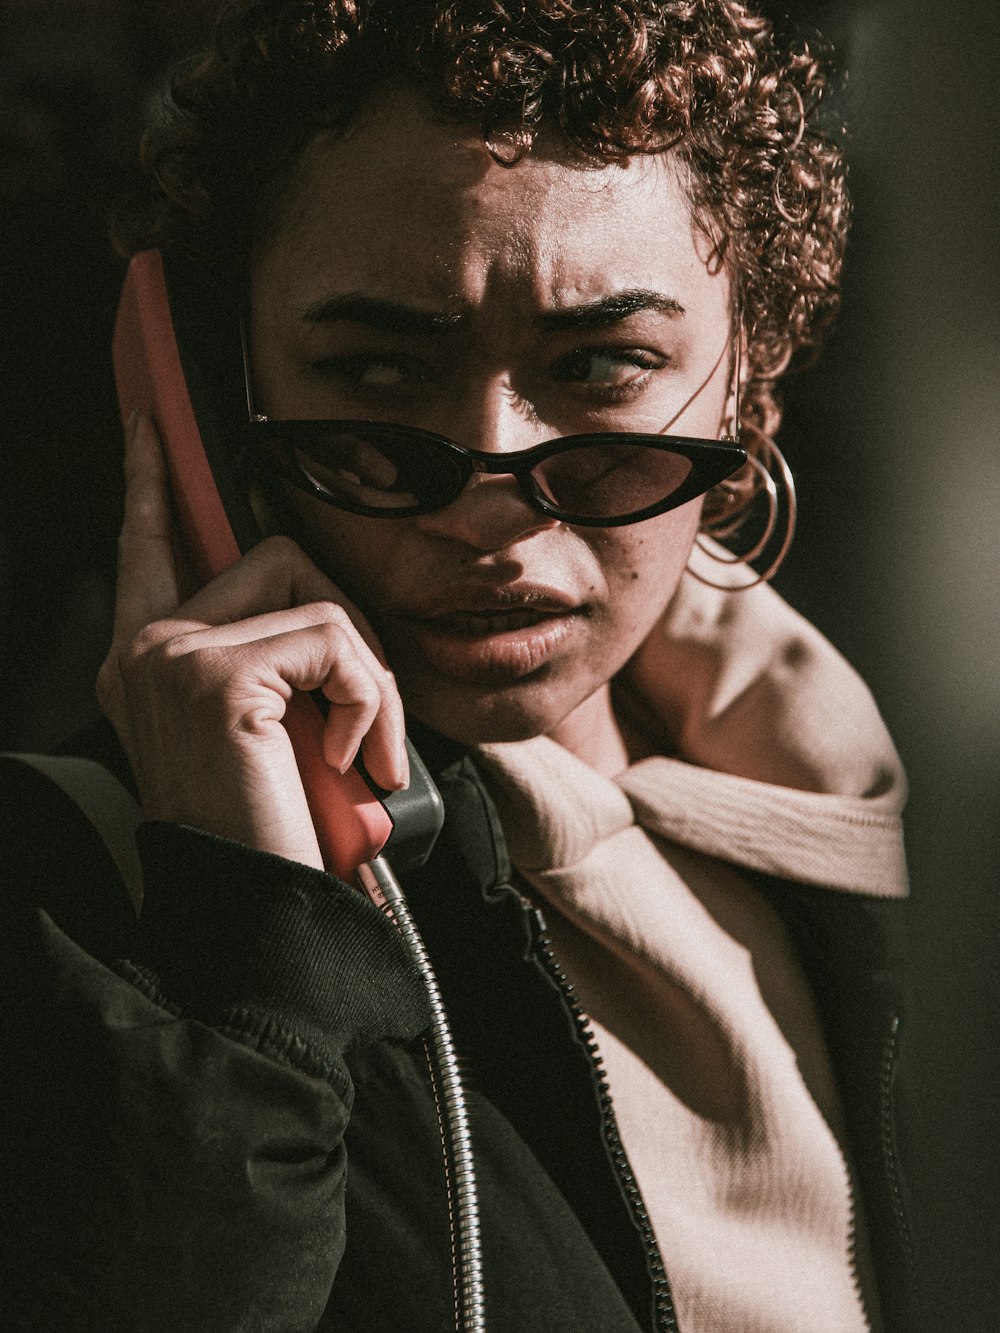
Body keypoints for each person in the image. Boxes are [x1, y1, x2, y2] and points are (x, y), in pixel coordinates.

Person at [0, 1, 919, 1330]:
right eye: (376, 368)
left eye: (602, 363)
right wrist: (248, 963)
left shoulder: (894, 827)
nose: (490, 505)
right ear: (210, 391)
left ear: (750, 379)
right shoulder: (74, 897)